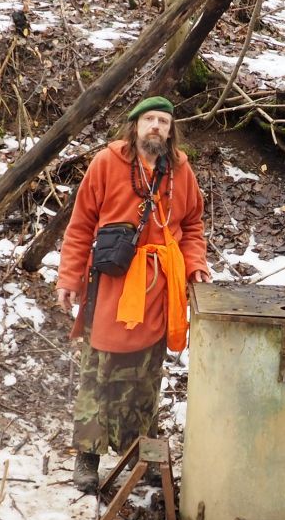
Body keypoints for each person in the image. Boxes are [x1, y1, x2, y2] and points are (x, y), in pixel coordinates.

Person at [56, 96, 211, 493]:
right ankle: (88, 458)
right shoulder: (107, 163)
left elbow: (192, 226)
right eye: (149, 120)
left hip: (160, 288)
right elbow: (80, 226)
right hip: (112, 284)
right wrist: (69, 279)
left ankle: (136, 457)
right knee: (100, 371)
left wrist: (196, 267)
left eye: (163, 120)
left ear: (171, 129)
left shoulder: (180, 171)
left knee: (146, 375)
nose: (156, 126)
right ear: (135, 125)